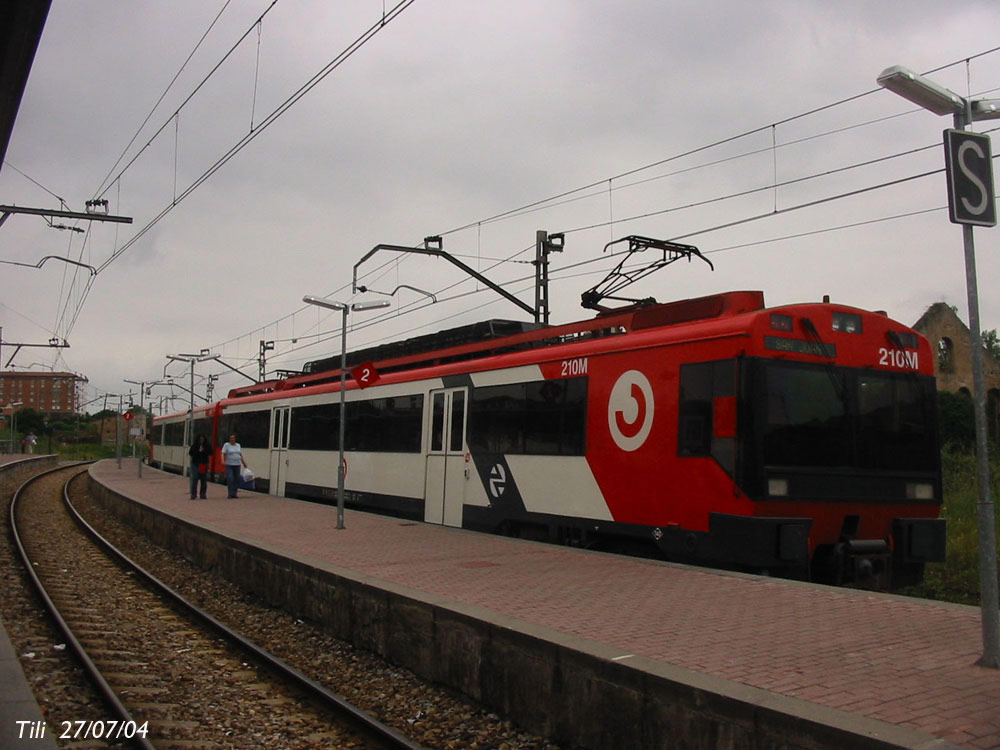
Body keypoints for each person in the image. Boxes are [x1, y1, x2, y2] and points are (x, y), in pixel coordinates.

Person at [221, 433, 248, 498]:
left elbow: (240, 455)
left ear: (235, 439)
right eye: (231, 438)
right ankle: (230, 493)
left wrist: (244, 463)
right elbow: (223, 453)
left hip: (237, 464)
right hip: (229, 464)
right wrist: (222, 460)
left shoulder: (238, 445)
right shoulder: (226, 445)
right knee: (230, 478)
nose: (232, 439)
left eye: (233, 438)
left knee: (236, 479)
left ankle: (234, 493)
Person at [188, 434, 212, 500]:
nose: (201, 441)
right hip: (195, 463)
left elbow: (210, 452)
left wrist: (204, 451)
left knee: (203, 479)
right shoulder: (194, 445)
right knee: (195, 478)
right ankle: (193, 494)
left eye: (202, 439)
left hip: (203, 464)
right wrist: (198, 451)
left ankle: (203, 494)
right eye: (200, 439)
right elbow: (190, 453)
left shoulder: (207, 445)